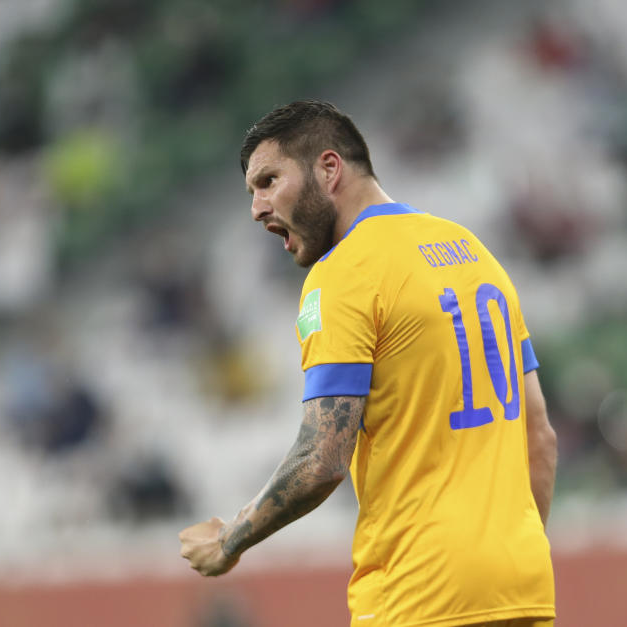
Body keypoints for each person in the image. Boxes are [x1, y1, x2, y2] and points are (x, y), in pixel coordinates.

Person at [178, 101, 557, 627]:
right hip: (521, 587)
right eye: (251, 192)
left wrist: (230, 541)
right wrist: (508, 560)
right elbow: (539, 436)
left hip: (417, 595)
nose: (257, 208)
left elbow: (323, 458)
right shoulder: (472, 252)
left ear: (329, 168)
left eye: (269, 180)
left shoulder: (344, 274)